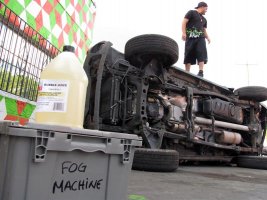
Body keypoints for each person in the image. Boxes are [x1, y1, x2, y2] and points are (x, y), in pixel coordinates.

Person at [182, 2, 211, 77]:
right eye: (206, 8)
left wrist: (207, 37)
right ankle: (187, 72)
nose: (206, 10)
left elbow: (204, 30)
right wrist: (184, 33)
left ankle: (201, 71)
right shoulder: (191, 12)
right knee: (188, 53)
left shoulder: (204, 19)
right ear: (202, 7)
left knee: (201, 52)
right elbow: (184, 22)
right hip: (190, 36)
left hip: (201, 37)